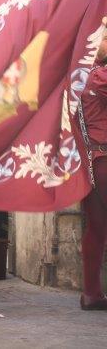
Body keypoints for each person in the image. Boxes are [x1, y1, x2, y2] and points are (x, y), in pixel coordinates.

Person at [77, 27, 107, 310]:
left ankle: (91, 293)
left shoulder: (80, 76)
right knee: (96, 228)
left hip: (90, 161)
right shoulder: (98, 76)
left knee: (96, 227)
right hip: (103, 160)